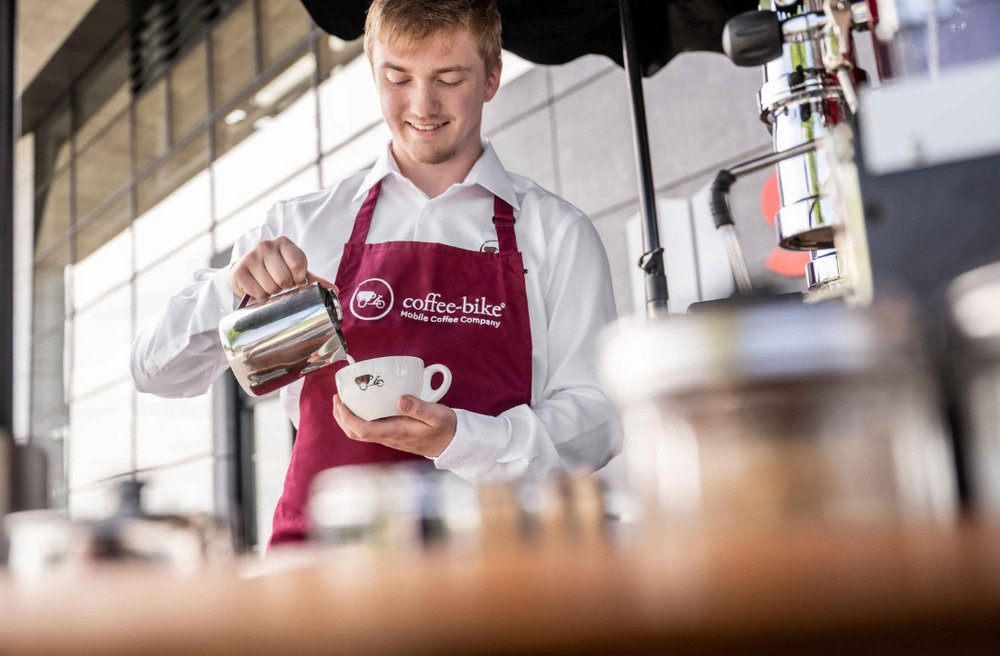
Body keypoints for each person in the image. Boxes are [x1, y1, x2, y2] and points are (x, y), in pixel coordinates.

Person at [130, 0, 619, 546]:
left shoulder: (556, 233)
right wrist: (228, 288)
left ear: (492, 77)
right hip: (322, 578)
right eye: (397, 77)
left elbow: (598, 419)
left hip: (495, 577)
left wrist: (466, 438)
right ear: (372, 72)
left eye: (449, 77)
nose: (422, 104)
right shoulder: (305, 225)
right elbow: (154, 371)